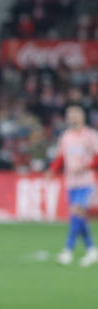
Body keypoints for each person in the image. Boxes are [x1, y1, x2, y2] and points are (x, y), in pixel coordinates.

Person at [50, 104, 98, 266]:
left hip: (86, 181)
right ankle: (91, 250)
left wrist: (86, 166)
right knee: (79, 217)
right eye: (69, 115)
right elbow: (61, 157)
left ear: (82, 116)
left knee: (76, 213)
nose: (71, 118)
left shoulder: (91, 136)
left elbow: (97, 157)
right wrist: (52, 170)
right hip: (71, 182)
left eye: (74, 115)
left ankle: (68, 250)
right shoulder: (66, 137)